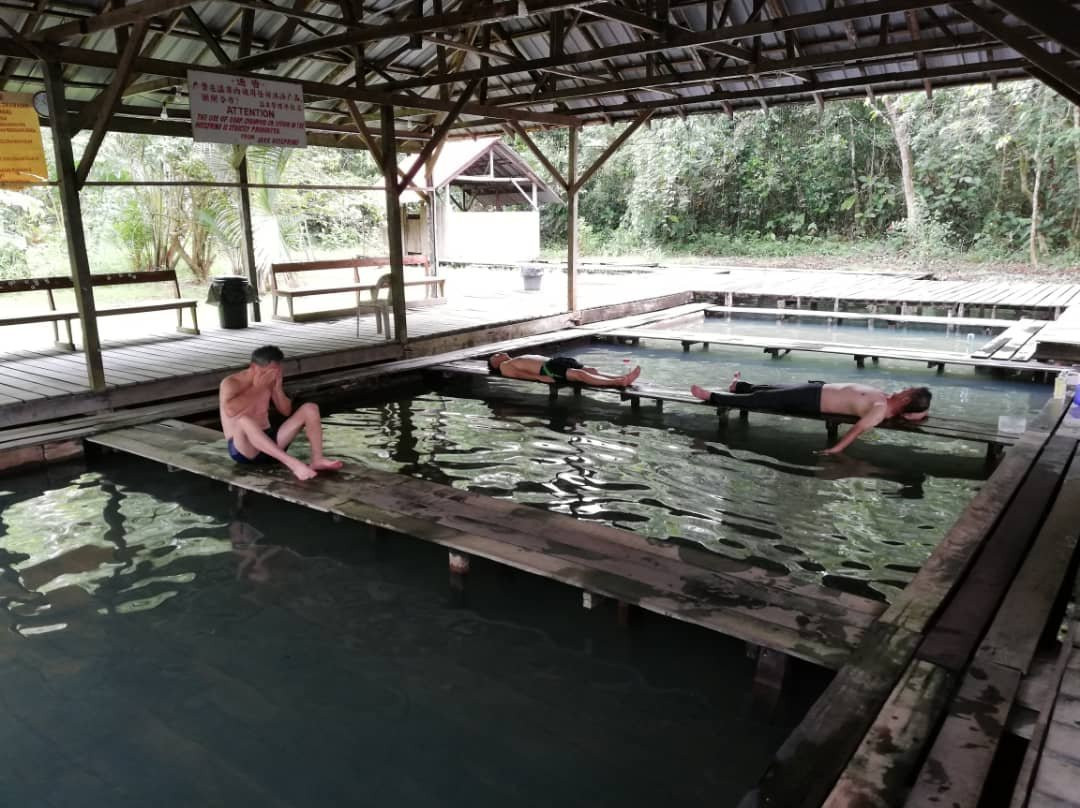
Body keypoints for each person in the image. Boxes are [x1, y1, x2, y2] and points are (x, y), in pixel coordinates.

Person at [690, 372, 931, 455]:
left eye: (906, 390)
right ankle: (740, 387)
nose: (902, 388)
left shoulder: (880, 410)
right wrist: (917, 413)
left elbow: (857, 430)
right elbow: (916, 411)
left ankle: (711, 396)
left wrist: (835, 449)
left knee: (763, 401)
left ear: (906, 399)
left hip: (813, 401)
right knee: (774, 389)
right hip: (818, 389)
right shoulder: (886, 399)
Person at [219, 345, 344, 480]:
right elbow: (230, 411)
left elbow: (285, 411)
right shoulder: (232, 382)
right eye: (269, 372)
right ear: (254, 367)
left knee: (310, 408)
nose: (273, 375)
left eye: (277, 371)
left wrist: (277, 388)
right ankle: (293, 464)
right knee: (244, 420)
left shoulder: (272, 379)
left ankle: (317, 459)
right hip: (244, 450)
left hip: (271, 444)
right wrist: (258, 388)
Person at [488, 352, 641, 388]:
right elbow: (521, 375)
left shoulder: (511, 360)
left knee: (591, 369)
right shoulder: (504, 366)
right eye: (496, 356)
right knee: (580, 375)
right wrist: (540, 378)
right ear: (495, 364)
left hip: (555, 362)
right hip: (548, 370)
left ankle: (623, 376)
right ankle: (617, 382)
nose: (500, 354)